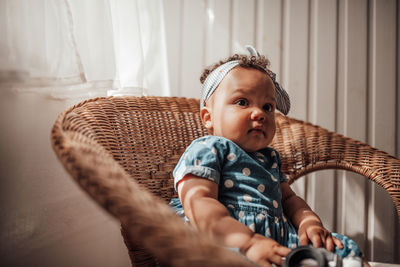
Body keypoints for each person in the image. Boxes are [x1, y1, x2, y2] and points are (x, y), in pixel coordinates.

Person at [169, 46, 361, 266]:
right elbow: (199, 203)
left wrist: (309, 222)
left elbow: (290, 200)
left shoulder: (269, 158)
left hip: (277, 238)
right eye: (242, 102)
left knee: (340, 248)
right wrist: (248, 242)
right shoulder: (209, 148)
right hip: (226, 238)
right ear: (208, 117)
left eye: (268, 106)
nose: (259, 113)